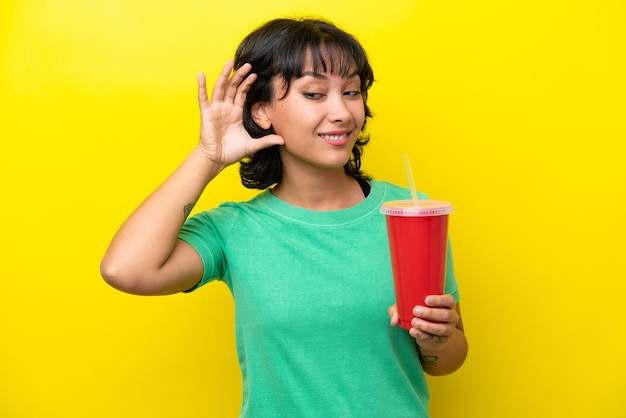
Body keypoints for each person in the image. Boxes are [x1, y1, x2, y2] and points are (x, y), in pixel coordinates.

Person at [100, 17, 468, 417]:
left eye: (351, 92)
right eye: (314, 93)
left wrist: (436, 341)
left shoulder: (410, 213)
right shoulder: (235, 230)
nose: (342, 112)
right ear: (262, 112)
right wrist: (207, 157)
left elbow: (450, 358)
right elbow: (125, 269)